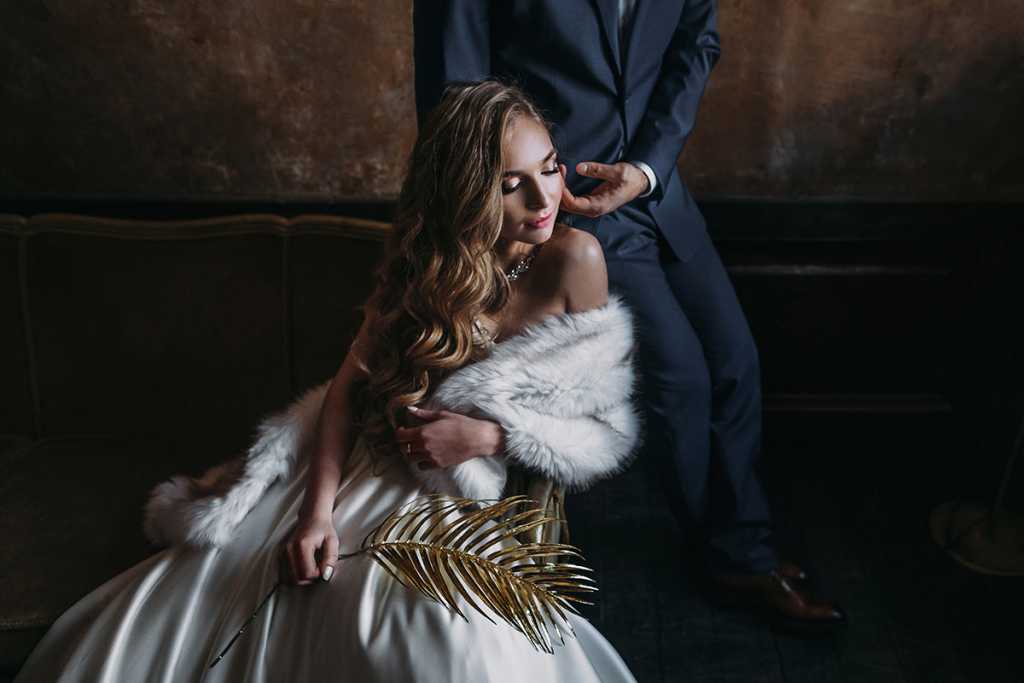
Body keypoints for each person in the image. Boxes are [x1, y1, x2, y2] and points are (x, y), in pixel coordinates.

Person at [14, 81, 640, 682]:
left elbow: (603, 425)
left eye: (549, 169)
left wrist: (492, 438)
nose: (542, 199)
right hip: (371, 465)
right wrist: (315, 516)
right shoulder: (427, 261)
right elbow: (346, 391)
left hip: (461, 495)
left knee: (435, 629)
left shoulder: (574, 259)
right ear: (466, 192)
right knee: (229, 584)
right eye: (511, 185)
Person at [414, 0, 846, 632]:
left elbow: (695, 42)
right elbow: (456, 100)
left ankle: (741, 543)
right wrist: (523, 202)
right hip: (558, 208)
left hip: (656, 189)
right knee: (683, 384)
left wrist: (647, 168)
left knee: (736, 365)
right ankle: (737, 557)